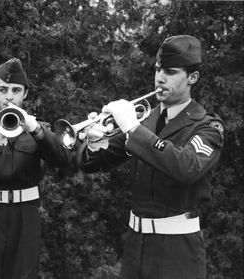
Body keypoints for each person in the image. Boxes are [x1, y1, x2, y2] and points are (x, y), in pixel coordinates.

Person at [76, 35, 224, 279]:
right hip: (136, 248)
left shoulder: (207, 127)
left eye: (170, 71)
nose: (160, 77)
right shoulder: (146, 120)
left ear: (192, 78)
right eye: (157, 69)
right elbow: (90, 164)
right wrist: (94, 140)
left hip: (178, 252)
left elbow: (187, 167)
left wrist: (133, 129)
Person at [0, 58, 71, 279]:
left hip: (25, 216)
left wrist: (36, 129)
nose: (9, 97)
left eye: (16, 90)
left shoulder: (38, 129)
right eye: (3, 90)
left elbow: (63, 159)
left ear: (25, 94)